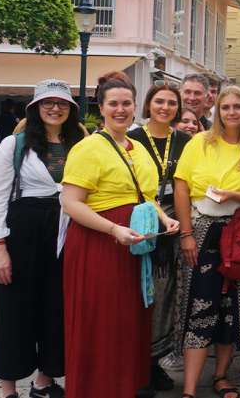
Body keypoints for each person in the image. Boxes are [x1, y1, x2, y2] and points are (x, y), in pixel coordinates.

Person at [60, 73, 178, 398]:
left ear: (134, 106)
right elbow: (70, 203)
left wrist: (165, 218)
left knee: (129, 319)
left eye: (126, 103)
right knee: (101, 319)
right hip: (99, 243)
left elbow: (147, 196)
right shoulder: (88, 149)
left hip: (135, 245)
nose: (121, 109)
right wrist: (113, 229)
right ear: (101, 107)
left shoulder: (137, 147)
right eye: (114, 103)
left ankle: (124, 386)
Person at [174, 86, 240, 398]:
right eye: (225, 107)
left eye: (237, 107)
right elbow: (181, 187)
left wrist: (234, 194)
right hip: (203, 229)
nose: (231, 112)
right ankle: (190, 388)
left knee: (232, 306)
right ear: (217, 110)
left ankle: (221, 375)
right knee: (199, 304)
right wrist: (187, 234)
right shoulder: (199, 143)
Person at [0, 80, 85, 398]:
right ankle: (8, 388)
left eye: (61, 103)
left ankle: (44, 381)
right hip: (22, 233)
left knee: (56, 306)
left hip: (65, 232)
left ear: (70, 109)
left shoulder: (79, 145)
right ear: (35, 108)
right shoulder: (13, 146)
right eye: (47, 103)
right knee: (14, 309)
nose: (54, 108)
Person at [128, 82, 190, 395]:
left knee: (167, 295)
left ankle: (154, 363)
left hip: (174, 227)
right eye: (159, 102)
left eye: (171, 103)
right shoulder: (132, 139)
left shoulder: (185, 141)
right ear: (148, 104)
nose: (164, 108)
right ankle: (137, 365)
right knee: (140, 294)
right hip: (141, 224)